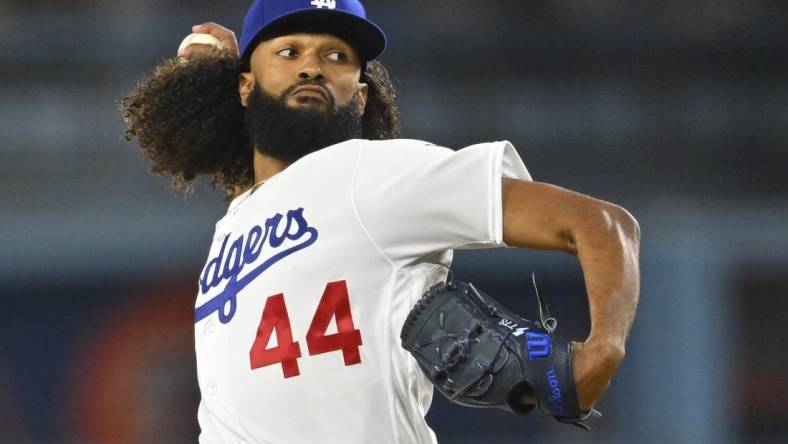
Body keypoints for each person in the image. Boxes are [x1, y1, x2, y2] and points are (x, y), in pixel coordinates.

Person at [120, 1, 640, 443]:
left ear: (361, 95)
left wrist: (605, 348)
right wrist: (217, 77)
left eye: (336, 56)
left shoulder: (375, 175)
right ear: (244, 85)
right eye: (288, 51)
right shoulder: (239, 216)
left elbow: (602, 224)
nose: (312, 67)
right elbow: (274, 180)